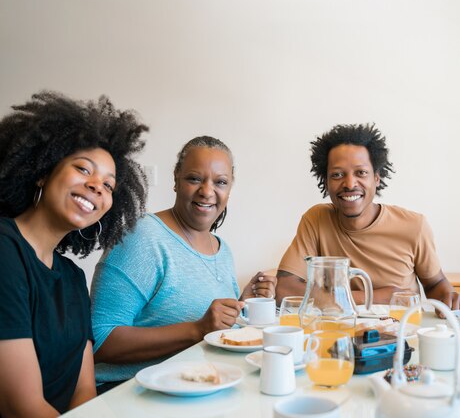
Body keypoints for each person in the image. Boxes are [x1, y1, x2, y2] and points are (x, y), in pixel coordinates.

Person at [0, 91, 148, 416]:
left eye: (109, 185)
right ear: (42, 170)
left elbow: (84, 391)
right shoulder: (5, 251)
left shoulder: (72, 277)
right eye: (83, 169)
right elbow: (19, 407)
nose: (97, 186)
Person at [90, 136, 276, 391]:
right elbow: (100, 340)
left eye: (220, 182)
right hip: (129, 391)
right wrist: (196, 329)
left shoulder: (223, 250)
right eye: (195, 178)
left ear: (229, 189)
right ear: (176, 179)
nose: (207, 191)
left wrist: (243, 306)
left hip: (196, 386)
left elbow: (212, 331)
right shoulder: (142, 236)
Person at [273, 123, 460, 311]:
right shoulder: (316, 220)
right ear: (326, 181)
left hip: (400, 337)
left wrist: (450, 299)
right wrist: (378, 297)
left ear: (376, 178)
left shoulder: (414, 226)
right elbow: (285, 290)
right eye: (337, 175)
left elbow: (436, 284)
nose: (350, 184)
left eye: (361, 172)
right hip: (338, 334)